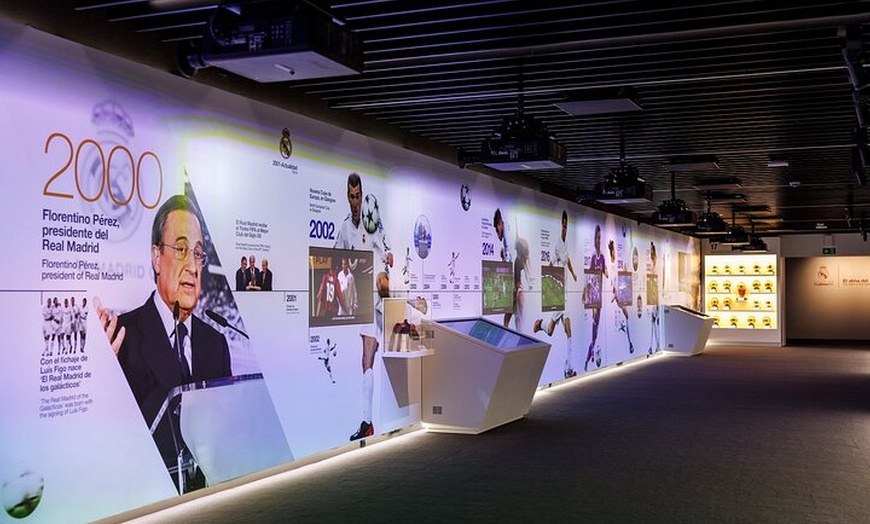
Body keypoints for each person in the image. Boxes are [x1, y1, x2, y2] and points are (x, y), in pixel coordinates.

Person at [94, 194, 231, 493]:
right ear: (157, 257)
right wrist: (100, 371)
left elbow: (225, 439)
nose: (194, 267)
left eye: (198, 254)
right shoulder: (121, 337)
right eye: (181, 249)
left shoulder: (217, 343)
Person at [334, 172, 393, 441]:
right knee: (366, 358)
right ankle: (367, 421)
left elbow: (386, 248)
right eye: (351, 196)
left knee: (379, 354)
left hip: (380, 291)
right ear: (347, 196)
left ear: (362, 195)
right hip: (363, 299)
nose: (355, 201)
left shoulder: (374, 222)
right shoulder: (345, 227)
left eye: (358, 196)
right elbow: (336, 257)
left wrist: (390, 255)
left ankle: (377, 418)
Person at [533, 210, 578, 378]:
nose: (565, 229)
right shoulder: (558, 245)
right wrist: (548, 280)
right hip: (559, 293)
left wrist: (573, 274)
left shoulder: (565, 245)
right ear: (561, 225)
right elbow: (552, 262)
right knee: (565, 328)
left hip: (563, 291)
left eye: (567, 226)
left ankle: (541, 325)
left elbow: (568, 261)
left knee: (556, 329)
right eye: (564, 225)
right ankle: (569, 367)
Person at [583, 225, 607, 372]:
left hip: (600, 296)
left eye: (600, 238)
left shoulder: (603, 257)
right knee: (594, 323)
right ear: (594, 240)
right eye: (597, 238)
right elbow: (589, 276)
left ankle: (590, 355)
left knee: (596, 329)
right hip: (594, 296)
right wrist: (585, 292)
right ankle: (588, 357)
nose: (598, 240)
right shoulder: (593, 257)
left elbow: (606, 272)